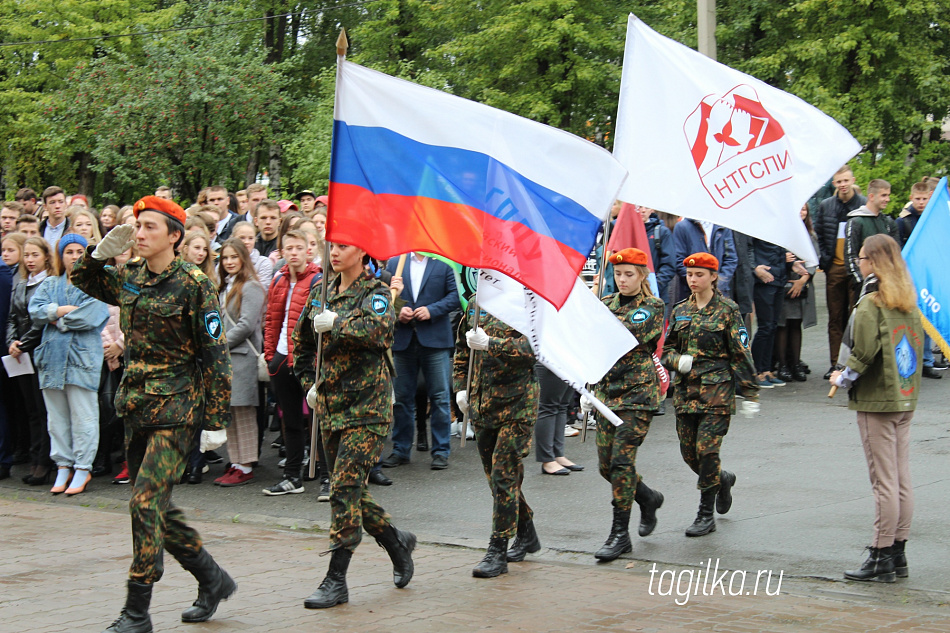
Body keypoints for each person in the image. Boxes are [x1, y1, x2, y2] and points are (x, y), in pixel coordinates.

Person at [71, 196, 235, 632]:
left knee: (144, 503)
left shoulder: (195, 285)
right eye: (136, 226)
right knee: (155, 507)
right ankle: (212, 578)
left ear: (175, 236)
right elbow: (82, 278)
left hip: (177, 409)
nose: (139, 234)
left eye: (148, 227)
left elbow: (215, 356)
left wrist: (216, 420)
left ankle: (137, 610)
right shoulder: (129, 276)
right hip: (136, 406)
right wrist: (97, 252)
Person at [293, 242, 416, 609]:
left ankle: (336, 579)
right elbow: (301, 344)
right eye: (331, 246)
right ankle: (395, 540)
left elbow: (380, 331)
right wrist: (309, 385)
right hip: (332, 405)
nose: (334, 252)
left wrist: (339, 323)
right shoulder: (321, 291)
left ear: (363, 253)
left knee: (343, 488)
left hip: (367, 407)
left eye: (344, 246)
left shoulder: (376, 292)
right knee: (351, 492)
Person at [830, 234, 922, 583]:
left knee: (884, 481)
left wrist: (842, 378)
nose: (860, 263)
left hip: (878, 400)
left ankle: (881, 553)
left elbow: (863, 352)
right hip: (904, 395)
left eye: (863, 258)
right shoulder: (907, 301)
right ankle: (897, 553)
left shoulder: (871, 303)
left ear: (874, 262)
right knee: (900, 479)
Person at [662, 253, 759, 537]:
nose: (693, 280)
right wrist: (677, 361)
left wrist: (751, 392)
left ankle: (705, 515)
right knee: (689, 453)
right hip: (686, 391)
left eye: (700, 275)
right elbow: (666, 349)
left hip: (717, 391)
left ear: (713, 276)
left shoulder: (728, 310)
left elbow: (741, 352)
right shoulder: (680, 310)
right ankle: (722, 479)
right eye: (690, 275)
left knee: (707, 451)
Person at [583, 248, 666, 562]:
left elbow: (627, 337)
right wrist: (588, 384)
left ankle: (620, 535)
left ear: (642, 275)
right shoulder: (605, 304)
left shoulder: (653, 307)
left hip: (637, 397)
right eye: (618, 274)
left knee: (620, 463)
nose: (622, 279)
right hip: (607, 394)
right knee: (608, 467)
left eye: (629, 274)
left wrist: (593, 318)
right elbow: (592, 344)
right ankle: (647, 497)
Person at [454, 304, 540, 577]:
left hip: (517, 403)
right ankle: (526, 531)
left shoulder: (527, 302)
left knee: (504, 474)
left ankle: (497, 550)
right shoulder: (476, 305)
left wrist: (492, 343)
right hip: (483, 403)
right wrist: (460, 387)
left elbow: (533, 350)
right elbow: (461, 351)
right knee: (497, 478)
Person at [28, 233, 109, 496]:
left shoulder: (96, 284)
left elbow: (93, 316)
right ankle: (63, 464)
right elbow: (35, 310)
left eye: (78, 252)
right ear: (60, 256)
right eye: (69, 252)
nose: (74, 256)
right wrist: (61, 310)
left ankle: (83, 467)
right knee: (57, 419)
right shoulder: (50, 283)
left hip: (81, 359)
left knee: (83, 417)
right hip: (51, 360)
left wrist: (56, 319)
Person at [382, 253, 460, 471]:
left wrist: (431, 310)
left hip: (434, 339)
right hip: (404, 339)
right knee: (402, 399)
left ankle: (441, 451)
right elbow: (386, 298)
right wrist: (398, 311)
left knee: (440, 398)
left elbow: (455, 296)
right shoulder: (396, 263)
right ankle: (400, 449)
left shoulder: (444, 262)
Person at [261, 229, 323, 497]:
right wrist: (269, 356)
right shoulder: (278, 279)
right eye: (289, 248)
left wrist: (318, 363)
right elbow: (271, 320)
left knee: (319, 421)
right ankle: (292, 477)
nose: (294, 253)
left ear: (308, 250)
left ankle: (328, 478)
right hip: (281, 360)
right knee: (291, 421)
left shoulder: (319, 280)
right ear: (283, 251)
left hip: (308, 363)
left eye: (299, 247)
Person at [213, 239, 265, 487]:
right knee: (231, 413)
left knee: (243, 412)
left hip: (242, 357)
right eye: (225, 258)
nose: (230, 262)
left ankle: (246, 465)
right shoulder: (225, 287)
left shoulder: (251, 286)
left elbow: (246, 325)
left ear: (243, 258)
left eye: (234, 257)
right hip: (228, 358)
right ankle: (235, 462)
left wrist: (219, 344)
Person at [7, 237, 54, 485]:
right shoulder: (21, 282)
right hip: (21, 355)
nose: (29, 260)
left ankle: (44, 462)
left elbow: (40, 321)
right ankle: (35, 459)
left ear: (46, 256)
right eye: (27, 255)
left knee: (44, 409)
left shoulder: (49, 283)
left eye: (34, 255)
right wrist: (12, 342)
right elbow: (12, 317)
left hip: (41, 353)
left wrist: (23, 344)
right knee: (31, 410)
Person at [813, 166, 867, 379]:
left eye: (846, 180)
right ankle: (836, 363)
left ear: (852, 180)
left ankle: (855, 362)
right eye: (838, 181)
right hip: (834, 268)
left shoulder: (862, 205)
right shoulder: (826, 206)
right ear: (834, 184)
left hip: (857, 269)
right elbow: (819, 233)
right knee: (835, 317)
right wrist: (825, 261)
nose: (843, 185)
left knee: (857, 317)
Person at [774, 204, 818, 382]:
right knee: (783, 325)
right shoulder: (781, 234)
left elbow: (814, 261)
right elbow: (772, 256)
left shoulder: (810, 235)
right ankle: (782, 364)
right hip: (784, 284)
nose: (801, 212)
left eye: (805, 209)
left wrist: (803, 280)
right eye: (798, 208)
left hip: (802, 286)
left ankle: (795, 363)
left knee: (796, 325)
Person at [749, 236, 789, 387]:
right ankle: (756, 371)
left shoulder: (777, 223)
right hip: (764, 278)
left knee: (772, 325)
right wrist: (755, 267)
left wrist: (791, 265)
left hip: (778, 276)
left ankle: (766, 370)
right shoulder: (758, 222)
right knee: (765, 326)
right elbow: (749, 248)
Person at [845, 179, 899, 290]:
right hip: (864, 283)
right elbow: (850, 255)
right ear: (871, 196)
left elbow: (895, 252)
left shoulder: (888, 222)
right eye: (883, 195)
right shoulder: (856, 222)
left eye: (888, 195)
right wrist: (860, 281)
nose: (887, 199)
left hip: (887, 283)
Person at [671, 219, 738, 303]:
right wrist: (695, 279)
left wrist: (719, 283)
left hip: (720, 291)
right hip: (690, 293)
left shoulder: (723, 226)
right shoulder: (682, 227)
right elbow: (678, 259)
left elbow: (731, 259)